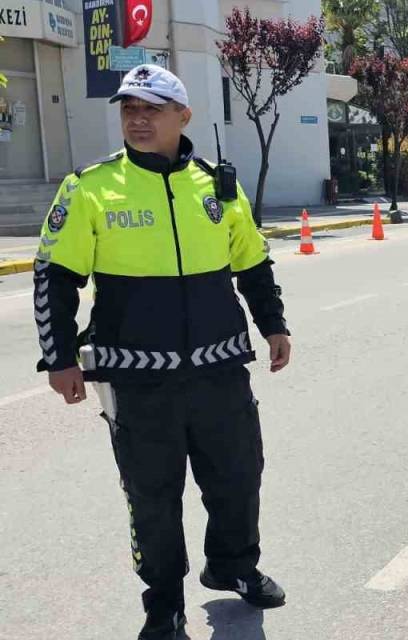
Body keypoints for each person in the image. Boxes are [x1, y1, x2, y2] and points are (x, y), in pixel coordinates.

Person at [31, 64, 291, 640]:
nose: (138, 119)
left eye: (152, 108)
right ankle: (164, 602)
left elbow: (251, 260)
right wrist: (60, 357)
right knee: (151, 496)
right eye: (129, 109)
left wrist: (272, 323)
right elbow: (54, 278)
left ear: (183, 117)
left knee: (238, 477)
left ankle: (232, 566)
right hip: (136, 378)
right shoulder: (90, 187)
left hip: (220, 368)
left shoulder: (217, 186)